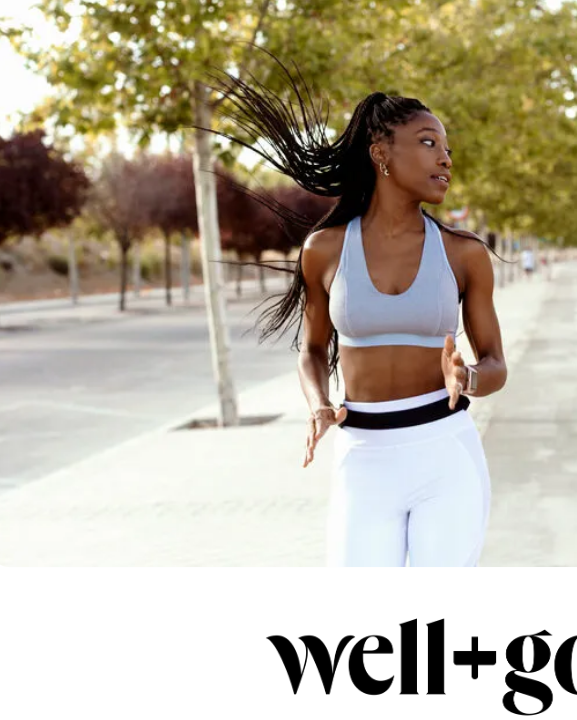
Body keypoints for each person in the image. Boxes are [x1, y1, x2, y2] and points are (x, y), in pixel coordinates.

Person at [210, 60, 508, 567]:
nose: (446, 159)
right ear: (381, 154)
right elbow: (311, 349)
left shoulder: (464, 253)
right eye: (429, 142)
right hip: (363, 456)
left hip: (446, 450)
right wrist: (318, 403)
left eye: (448, 149)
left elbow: (496, 362)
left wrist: (470, 377)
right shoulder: (324, 250)